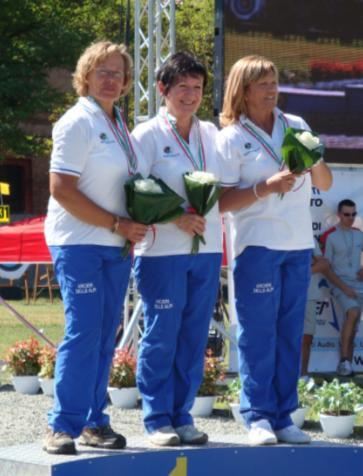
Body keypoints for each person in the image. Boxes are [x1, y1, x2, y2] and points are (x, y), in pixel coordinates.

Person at [217, 55, 332, 446]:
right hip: (256, 246)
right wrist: (266, 186)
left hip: (298, 246)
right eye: (263, 83)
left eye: (274, 82)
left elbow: (327, 183)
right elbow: (219, 202)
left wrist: (312, 159)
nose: (272, 90)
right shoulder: (230, 137)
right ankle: (257, 417)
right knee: (258, 334)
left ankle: (284, 416)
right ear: (244, 90)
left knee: (288, 333)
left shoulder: (295, 126)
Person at [43, 41, 148, 455]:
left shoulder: (119, 123)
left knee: (106, 335)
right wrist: (116, 223)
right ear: (85, 76)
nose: (111, 79)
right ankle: (60, 425)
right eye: (103, 71)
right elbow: (60, 189)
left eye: (119, 73)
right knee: (84, 331)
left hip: (115, 244)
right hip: (80, 243)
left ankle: (93, 421)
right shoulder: (76, 121)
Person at [131, 52, 222, 447]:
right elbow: (135, 192)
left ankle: (183, 415)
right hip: (161, 251)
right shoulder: (146, 135)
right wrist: (176, 218)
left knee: (193, 337)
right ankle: (156, 419)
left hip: (207, 249)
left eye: (197, 87)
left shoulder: (212, 135)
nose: (190, 94)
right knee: (162, 334)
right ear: (163, 90)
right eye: (182, 86)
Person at [301, 237, 357, 379]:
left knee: (307, 337)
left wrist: (299, 271)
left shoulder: (309, 238)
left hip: (309, 294)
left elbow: (324, 264)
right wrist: (311, 264)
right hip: (284, 294)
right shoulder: (280, 235)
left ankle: (303, 375)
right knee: (285, 336)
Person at [321, 199, 363, 376]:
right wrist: (344, 288)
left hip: (359, 284)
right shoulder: (330, 236)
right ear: (339, 215)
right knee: (352, 312)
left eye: (354, 214)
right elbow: (326, 268)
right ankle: (344, 361)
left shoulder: (359, 234)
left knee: (354, 324)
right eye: (347, 214)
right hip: (339, 284)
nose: (351, 218)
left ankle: (348, 365)